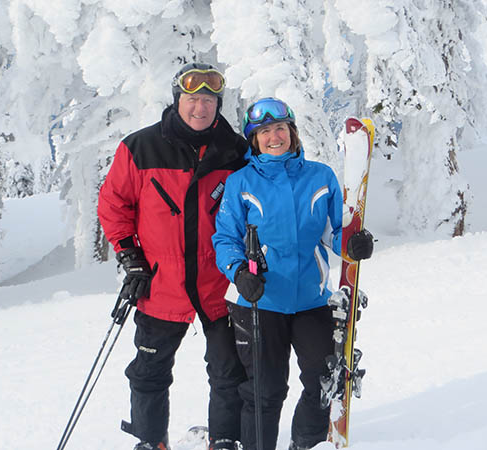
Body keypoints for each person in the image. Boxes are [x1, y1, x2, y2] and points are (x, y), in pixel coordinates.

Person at [98, 63, 248, 450]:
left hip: (219, 283)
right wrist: (129, 254)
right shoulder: (141, 147)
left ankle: (226, 440)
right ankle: (151, 441)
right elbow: (115, 204)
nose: (201, 108)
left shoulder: (236, 152)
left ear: (219, 104)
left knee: (228, 372)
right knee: (149, 371)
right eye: (193, 99)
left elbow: (261, 205)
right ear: (177, 100)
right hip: (160, 283)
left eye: (209, 100)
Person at [212, 97, 374, 450]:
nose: (275, 136)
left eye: (281, 128)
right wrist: (239, 272)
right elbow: (225, 238)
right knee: (265, 390)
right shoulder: (240, 183)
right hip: (259, 299)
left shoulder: (320, 176)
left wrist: (353, 245)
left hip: (311, 299)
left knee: (321, 380)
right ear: (254, 139)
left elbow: (335, 232)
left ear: (292, 132)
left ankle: (306, 444)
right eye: (265, 131)